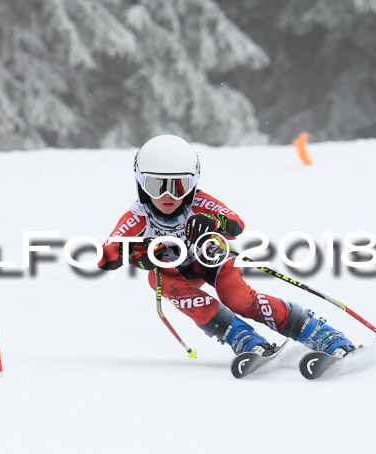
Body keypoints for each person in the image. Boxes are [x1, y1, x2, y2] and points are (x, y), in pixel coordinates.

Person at [99, 134, 354, 357]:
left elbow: (236, 223)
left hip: (212, 260)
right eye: (157, 185)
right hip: (176, 273)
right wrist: (134, 252)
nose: (168, 196)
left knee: (238, 299)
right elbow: (105, 257)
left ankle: (319, 333)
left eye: (179, 186)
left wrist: (214, 221)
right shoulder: (137, 216)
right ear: (141, 183)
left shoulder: (198, 202)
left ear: (193, 184)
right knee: (157, 280)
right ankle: (241, 337)